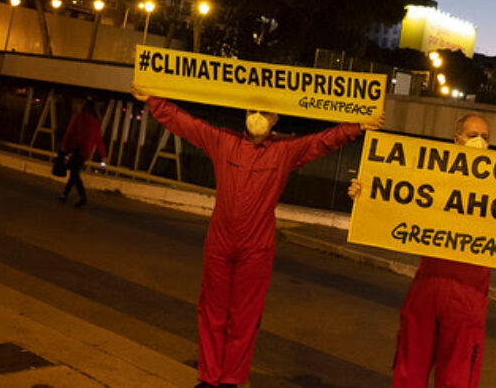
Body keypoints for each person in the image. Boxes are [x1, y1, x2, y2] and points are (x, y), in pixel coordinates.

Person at [131, 84, 381, 388]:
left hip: (257, 247)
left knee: (245, 317)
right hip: (220, 242)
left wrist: (356, 127)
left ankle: (231, 379)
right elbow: (186, 125)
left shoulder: (285, 151)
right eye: (252, 111)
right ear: (244, 112)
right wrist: (154, 100)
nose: (257, 117)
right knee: (212, 311)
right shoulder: (223, 141)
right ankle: (209, 377)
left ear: (275, 119)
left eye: (264, 113)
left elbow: (322, 142)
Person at [348, 114, 496, 388]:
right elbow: (396, 198)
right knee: (409, 370)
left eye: (486, 137)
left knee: (457, 378)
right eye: (473, 136)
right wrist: (365, 195)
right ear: (456, 140)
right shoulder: (430, 178)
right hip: (427, 287)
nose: (480, 142)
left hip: (469, 296)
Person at [59, 97, 107, 208]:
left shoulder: (78, 117)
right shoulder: (95, 123)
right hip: (85, 152)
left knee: (74, 173)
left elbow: (69, 132)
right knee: (74, 173)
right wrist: (103, 155)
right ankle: (64, 194)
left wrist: (64, 146)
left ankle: (82, 196)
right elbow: (99, 140)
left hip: (75, 149)